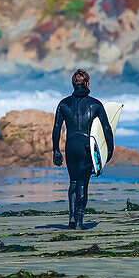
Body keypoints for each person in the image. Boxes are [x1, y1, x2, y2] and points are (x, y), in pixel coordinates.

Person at [52, 69, 113, 230]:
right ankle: (79, 221)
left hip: (71, 146)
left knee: (72, 181)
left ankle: (72, 216)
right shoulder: (95, 104)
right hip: (86, 148)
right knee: (82, 184)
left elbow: (57, 127)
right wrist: (109, 151)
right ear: (87, 83)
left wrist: (56, 150)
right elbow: (106, 129)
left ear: (73, 84)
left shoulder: (63, 103)